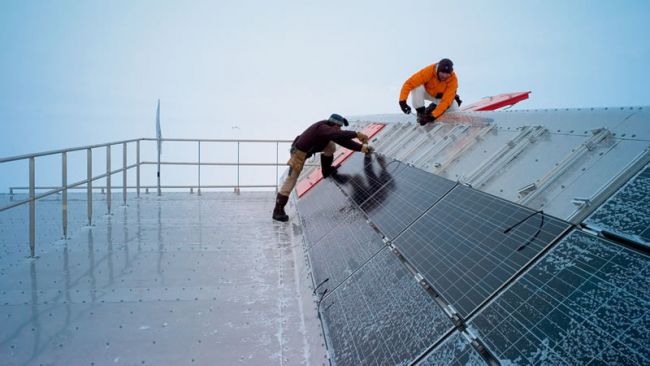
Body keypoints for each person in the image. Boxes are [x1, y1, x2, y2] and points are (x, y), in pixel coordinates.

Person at [273, 114, 374, 222]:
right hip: (299, 153)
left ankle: (326, 170)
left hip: (310, 149)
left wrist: (361, 148)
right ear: (333, 123)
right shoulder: (322, 128)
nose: (339, 129)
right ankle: (278, 210)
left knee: (330, 146)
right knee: (291, 180)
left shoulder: (328, 131)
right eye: (338, 126)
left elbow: (342, 140)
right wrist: (356, 134)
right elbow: (337, 134)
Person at [398, 58, 461, 125]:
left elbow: (446, 101)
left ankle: (441, 115)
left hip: (441, 98)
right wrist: (402, 102)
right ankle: (421, 113)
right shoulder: (429, 71)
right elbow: (409, 84)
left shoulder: (453, 80)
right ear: (438, 70)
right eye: (442, 73)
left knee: (454, 105)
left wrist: (432, 116)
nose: (444, 76)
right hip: (427, 93)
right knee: (417, 87)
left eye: (447, 73)